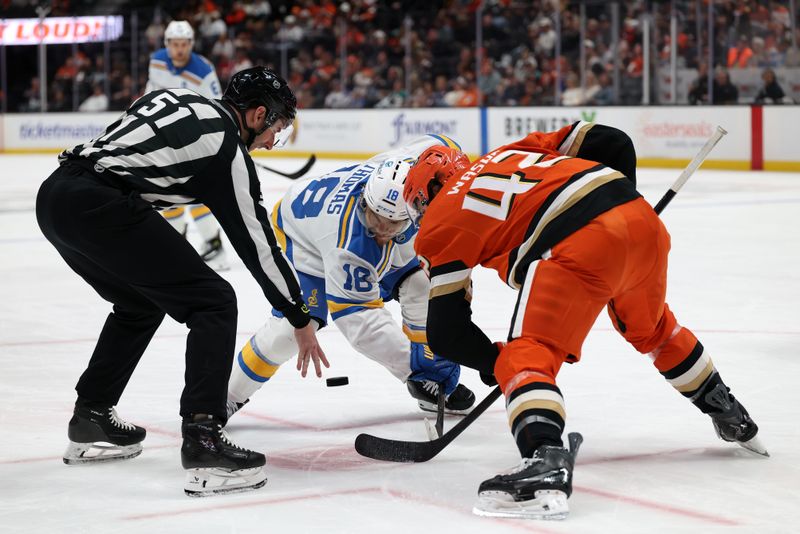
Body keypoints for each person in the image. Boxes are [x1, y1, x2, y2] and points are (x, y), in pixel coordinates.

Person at [402, 121, 766, 520]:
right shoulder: (507, 151)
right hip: (639, 220)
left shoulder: (437, 225)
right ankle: (730, 414)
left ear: (429, 192)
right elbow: (612, 140)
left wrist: (494, 365)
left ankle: (544, 459)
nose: (421, 214)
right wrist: (623, 201)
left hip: (575, 243)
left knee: (528, 355)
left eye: (419, 203)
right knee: (655, 330)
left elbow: (445, 332)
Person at [36, 67, 326, 497]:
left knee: (140, 304)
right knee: (215, 302)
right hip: (101, 205)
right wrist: (298, 315)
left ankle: (90, 416)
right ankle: (203, 439)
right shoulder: (228, 152)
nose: (271, 142)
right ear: (258, 114)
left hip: (57, 195)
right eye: (276, 130)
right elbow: (259, 247)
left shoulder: (180, 97)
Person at [227, 134, 476, 418]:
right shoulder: (349, 245)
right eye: (373, 218)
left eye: (390, 224)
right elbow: (362, 323)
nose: (380, 232)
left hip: (367, 228)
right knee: (292, 328)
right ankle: (226, 395)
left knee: (420, 284)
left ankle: (427, 383)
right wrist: (413, 362)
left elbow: (442, 143)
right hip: (304, 238)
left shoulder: (419, 168)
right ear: (365, 200)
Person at [145, 20, 229, 270]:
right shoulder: (156, 60)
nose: (179, 49)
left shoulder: (203, 70)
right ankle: (177, 247)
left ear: (191, 44)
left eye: (184, 44)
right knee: (165, 194)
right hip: (163, 139)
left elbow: (216, 107)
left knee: (194, 194)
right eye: (175, 44)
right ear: (167, 44)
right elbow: (152, 91)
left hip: (194, 141)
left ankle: (214, 247)